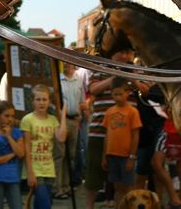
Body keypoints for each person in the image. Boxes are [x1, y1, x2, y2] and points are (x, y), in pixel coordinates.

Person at [84, 49, 135, 209]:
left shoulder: (135, 69)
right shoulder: (99, 67)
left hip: (126, 135)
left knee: (124, 179)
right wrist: (115, 78)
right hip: (99, 131)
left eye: (129, 53)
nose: (126, 55)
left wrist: (132, 79)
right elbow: (93, 89)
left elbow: (145, 89)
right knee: (94, 175)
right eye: (122, 52)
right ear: (113, 51)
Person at [21, 84, 67, 209]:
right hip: (35, 170)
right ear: (33, 101)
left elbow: (61, 137)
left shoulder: (52, 120)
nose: (41, 102)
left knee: (42, 203)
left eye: (44, 99)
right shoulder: (27, 120)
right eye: (38, 99)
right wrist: (30, 173)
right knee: (45, 204)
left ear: (49, 101)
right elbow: (26, 147)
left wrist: (62, 116)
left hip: (49, 170)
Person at [101, 77, 142, 208]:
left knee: (129, 188)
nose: (117, 97)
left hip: (126, 157)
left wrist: (132, 156)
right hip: (112, 155)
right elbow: (107, 135)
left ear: (127, 93)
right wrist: (104, 155)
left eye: (120, 94)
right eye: (114, 94)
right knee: (117, 188)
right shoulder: (109, 112)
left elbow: (136, 135)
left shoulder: (133, 112)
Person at [53, 61, 86, 200]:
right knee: (60, 154)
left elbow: (81, 100)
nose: (67, 66)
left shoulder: (79, 80)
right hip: (62, 120)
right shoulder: (58, 80)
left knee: (70, 155)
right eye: (65, 63)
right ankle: (57, 188)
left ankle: (66, 186)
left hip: (74, 120)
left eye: (69, 63)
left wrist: (80, 115)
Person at [0, 100, 25, 209]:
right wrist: (12, 155)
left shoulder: (17, 133)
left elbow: (21, 154)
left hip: (13, 178)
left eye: (12, 116)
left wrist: (8, 136)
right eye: (6, 116)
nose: (10, 119)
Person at [151, 113, 181, 208]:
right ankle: (174, 200)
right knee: (157, 165)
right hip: (171, 128)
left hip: (177, 129)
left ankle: (178, 201)